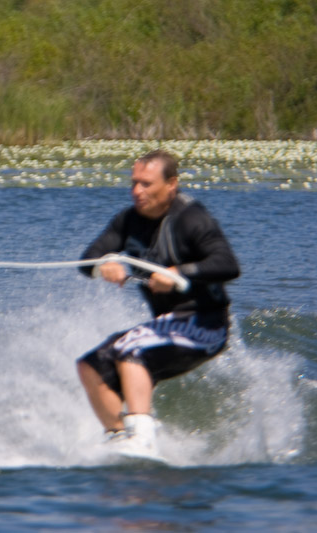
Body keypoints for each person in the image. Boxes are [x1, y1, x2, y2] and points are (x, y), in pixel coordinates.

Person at [76, 149, 240, 458]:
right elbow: (87, 259)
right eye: (134, 183)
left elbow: (228, 264)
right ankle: (118, 438)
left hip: (206, 325)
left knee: (130, 348)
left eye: (147, 184)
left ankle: (142, 437)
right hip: (166, 326)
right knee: (90, 365)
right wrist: (103, 265)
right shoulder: (127, 221)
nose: (137, 191)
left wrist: (178, 273)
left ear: (171, 185)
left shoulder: (192, 219)